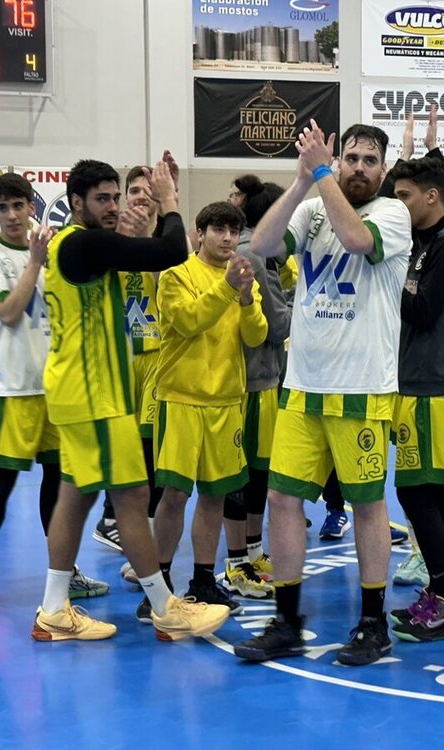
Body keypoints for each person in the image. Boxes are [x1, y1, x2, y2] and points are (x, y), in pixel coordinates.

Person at [233, 121, 412, 665]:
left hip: (360, 390)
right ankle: (287, 621)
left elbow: (357, 240)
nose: (358, 167)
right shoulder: (312, 210)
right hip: (303, 387)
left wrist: (322, 173)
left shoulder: (392, 215)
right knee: (283, 501)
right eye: (350, 157)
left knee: (365, 506)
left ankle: (373, 623)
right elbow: (261, 244)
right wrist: (298, 183)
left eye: (368, 160)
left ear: (383, 170)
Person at [31, 157, 229, 642]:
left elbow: (139, 255)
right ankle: (166, 609)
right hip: (94, 395)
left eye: (116, 197)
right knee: (133, 498)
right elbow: (169, 256)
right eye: (102, 199)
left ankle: (54, 609)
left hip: (80, 392)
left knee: (75, 498)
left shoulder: (82, 248)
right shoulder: (81, 243)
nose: (113, 206)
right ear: (75, 203)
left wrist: (142, 227)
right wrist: (170, 202)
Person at [0, 173, 107, 611]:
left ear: (31, 208)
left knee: (59, 483)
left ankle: (64, 573)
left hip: (55, 385)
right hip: (11, 386)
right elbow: (7, 311)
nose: (11, 216)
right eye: (2, 208)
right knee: (2, 481)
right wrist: (35, 262)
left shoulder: (53, 248)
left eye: (17, 206)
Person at [149, 201, 268, 616]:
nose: (227, 238)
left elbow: (256, 337)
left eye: (233, 231)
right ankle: (158, 585)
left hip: (226, 402)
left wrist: (248, 300)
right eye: (218, 229)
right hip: (181, 399)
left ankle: (202, 580)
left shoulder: (240, 281)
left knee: (216, 496)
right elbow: (189, 321)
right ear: (200, 233)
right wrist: (227, 289)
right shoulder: (176, 276)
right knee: (175, 494)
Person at [385, 156, 444, 642]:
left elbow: (421, 310)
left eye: (404, 196)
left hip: (434, 387)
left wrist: (383, 280)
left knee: (417, 490)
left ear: (432, 196)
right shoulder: (424, 241)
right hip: (420, 384)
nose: (397, 204)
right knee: (433, 490)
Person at [92, 163, 174, 553]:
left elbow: (178, 284)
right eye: (135, 190)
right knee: (121, 444)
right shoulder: (113, 238)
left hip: (157, 357)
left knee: (150, 448)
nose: (142, 196)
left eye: (148, 190)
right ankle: (112, 517)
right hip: (121, 358)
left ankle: (144, 529)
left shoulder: (167, 242)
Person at [222, 178, 289, 598]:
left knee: (258, 473)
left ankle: (252, 550)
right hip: (246, 380)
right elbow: (276, 322)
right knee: (239, 474)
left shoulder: (260, 251)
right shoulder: (253, 252)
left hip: (261, 378)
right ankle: (235, 564)